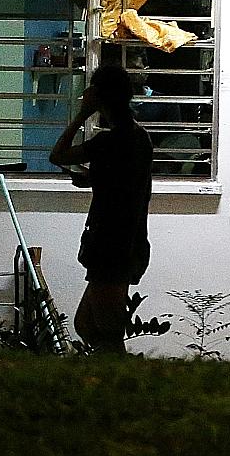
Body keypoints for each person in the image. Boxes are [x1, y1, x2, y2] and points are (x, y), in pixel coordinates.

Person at [49, 63, 153, 354]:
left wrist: (82, 114)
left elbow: (57, 155)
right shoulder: (139, 139)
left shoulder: (110, 141)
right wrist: (93, 178)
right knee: (86, 324)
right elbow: (124, 185)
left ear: (100, 98)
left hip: (112, 246)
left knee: (106, 332)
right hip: (126, 242)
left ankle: (120, 388)